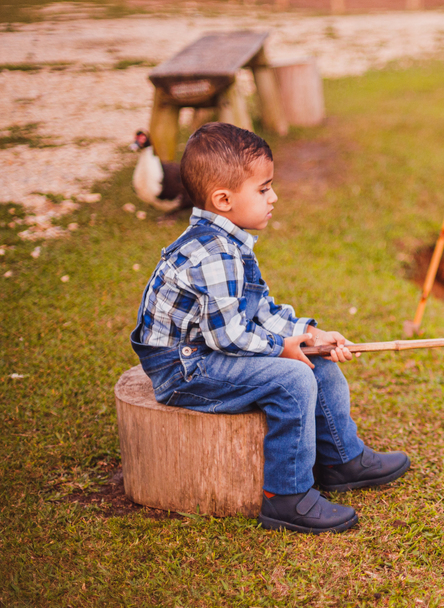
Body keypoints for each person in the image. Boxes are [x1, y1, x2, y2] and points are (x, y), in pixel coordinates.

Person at [130, 122, 408, 534]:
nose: (274, 197)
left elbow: (258, 311)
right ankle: (287, 497)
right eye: (263, 189)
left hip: (208, 351)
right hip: (184, 369)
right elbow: (229, 337)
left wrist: (310, 336)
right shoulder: (212, 254)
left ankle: (340, 459)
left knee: (315, 361)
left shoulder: (230, 242)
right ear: (223, 199)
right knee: (293, 379)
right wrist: (283, 348)